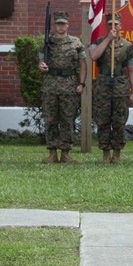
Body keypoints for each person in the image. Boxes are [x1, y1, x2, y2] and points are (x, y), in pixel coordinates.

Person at [38, 11, 88, 163]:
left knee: (68, 119)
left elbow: (83, 64)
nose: (60, 27)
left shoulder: (76, 42)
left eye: (63, 24)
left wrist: (81, 83)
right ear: (55, 25)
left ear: (67, 25)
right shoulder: (47, 43)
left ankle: (65, 152)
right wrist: (41, 66)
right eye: (58, 24)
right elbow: (40, 61)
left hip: (69, 84)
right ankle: (52, 152)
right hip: (51, 85)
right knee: (50, 119)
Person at [88, 13, 133, 163]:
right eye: (110, 24)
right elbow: (94, 56)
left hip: (120, 85)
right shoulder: (97, 42)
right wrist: (108, 39)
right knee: (103, 120)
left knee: (119, 120)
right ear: (106, 26)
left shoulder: (128, 46)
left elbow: (132, 69)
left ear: (120, 26)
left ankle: (117, 153)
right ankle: (105, 152)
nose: (113, 27)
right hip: (103, 86)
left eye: (116, 24)